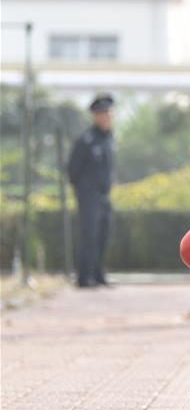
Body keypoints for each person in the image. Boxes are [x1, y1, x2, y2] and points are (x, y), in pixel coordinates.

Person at [67, 94, 116, 288]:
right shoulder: (87, 140)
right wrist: (82, 190)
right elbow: (73, 168)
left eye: (108, 113)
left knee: (104, 235)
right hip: (88, 194)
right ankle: (84, 276)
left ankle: (98, 274)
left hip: (104, 194)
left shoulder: (109, 138)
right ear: (95, 116)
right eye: (101, 113)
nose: (106, 117)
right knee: (90, 235)